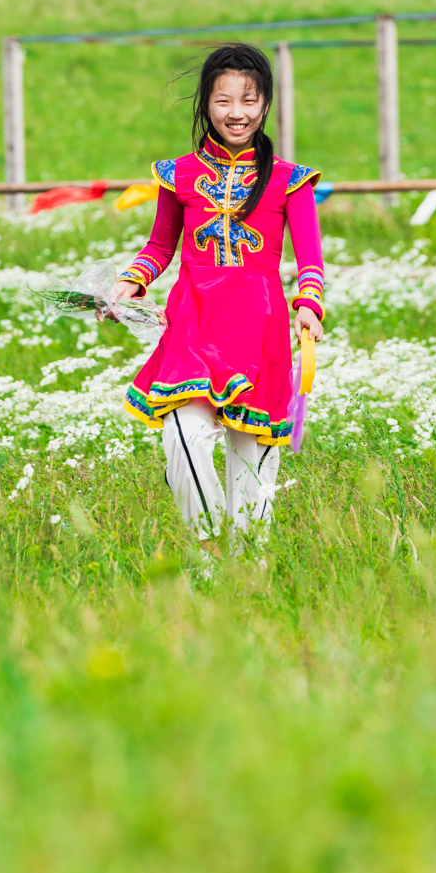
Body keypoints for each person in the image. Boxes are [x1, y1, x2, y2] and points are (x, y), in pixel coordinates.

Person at [107, 43, 326, 550]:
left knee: (253, 477)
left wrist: (309, 308)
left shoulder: (292, 181)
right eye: (224, 101)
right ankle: (206, 555)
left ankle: (248, 574)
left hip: (260, 330)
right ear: (206, 103)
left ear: (266, 105)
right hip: (193, 324)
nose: (237, 113)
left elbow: (309, 260)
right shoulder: (177, 174)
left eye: (249, 101)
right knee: (181, 438)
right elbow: (161, 245)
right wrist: (131, 281)